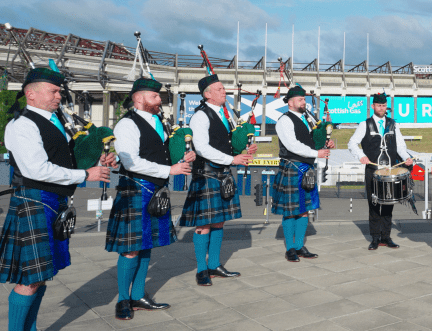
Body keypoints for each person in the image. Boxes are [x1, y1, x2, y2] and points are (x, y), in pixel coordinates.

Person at [0, 68, 114, 331]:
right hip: (34, 202)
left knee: (39, 277)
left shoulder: (56, 122)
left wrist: (98, 161)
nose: (59, 95)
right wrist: (86, 173)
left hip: (52, 203)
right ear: (31, 94)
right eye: (53, 91)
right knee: (30, 278)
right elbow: (36, 170)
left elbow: (65, 159)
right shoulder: (22, 125)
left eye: (59, 91)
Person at [107, 78, 195, 320]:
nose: (159, 101)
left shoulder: (159, 122)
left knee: (146, 244)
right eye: (154, 97)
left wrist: (185, 157)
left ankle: (138, 296)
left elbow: (162, 154)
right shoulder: (127, 124)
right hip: (134, 189)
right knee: (131, 248)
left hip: (156, 189)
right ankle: (123, 301)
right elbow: (130, 161)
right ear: (138, 98)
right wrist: (170, 171)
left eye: (159, 97)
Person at [180, 74, 255, 286]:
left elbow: (225, 143)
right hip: (206, 174)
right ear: (208, 94)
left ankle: (214, 264)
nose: (225, 92)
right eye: (220, 89)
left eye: (224, 89)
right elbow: (202, 147)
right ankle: (201, 270)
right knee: (203, 224)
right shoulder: (201, 116)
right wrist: (233, 159)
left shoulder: (223, 115)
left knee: (219, 221)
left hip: (221, 173)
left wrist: (243, 150)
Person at [273, 86, 333, 262]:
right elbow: (292, 145)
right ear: (290, 103)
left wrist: (324, 145)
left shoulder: (308, 119)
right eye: (300, 99)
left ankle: (299, 246)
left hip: (306, 168)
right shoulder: (284, 120)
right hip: (292, 167)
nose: (303, 102)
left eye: (304, 99)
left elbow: (311, 142)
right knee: (291, 211)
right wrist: (317, 154)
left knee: (304, 210)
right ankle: (290, 249)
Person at [347, 92, 414, 250]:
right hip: (373, 170)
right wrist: (361, 156)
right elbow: (352, 143)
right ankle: (375, 238)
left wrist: (407, 157)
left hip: (390, 170)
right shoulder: (365, 124)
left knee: (389, 203)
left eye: (384, 106)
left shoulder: (392, 124)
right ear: (373, 106)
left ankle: (386, 237)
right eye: (379, 105)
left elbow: (401, 147)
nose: (381, 108)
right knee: (374, 203)